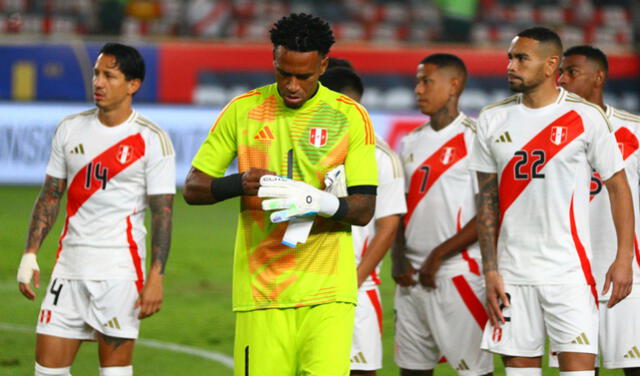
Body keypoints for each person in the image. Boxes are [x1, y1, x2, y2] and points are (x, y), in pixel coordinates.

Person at [183, 13, 378, 376]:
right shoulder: (244, 111)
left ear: (323, 65)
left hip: (328, 291)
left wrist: (316, 201)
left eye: (303, 76)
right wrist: (238, 183)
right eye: (283, 72)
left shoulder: (350, 117)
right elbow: (193, 188)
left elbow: (364, 209)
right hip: (261, 293)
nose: (291, 85)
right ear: (274, 59)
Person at [469, 27, 634, 376]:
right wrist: (491, 270)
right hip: (511, 277)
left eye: (521, 58)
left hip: (569, 276)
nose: (510, 66)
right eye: (510, 58)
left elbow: (618, 187)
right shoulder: (491, 119)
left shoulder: (585, 117)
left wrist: (623, 260)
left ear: (550, 65)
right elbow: (486, 202)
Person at [16, 42, 175, 376]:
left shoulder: (151, 140)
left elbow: (163, 213)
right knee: (46, 372)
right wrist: (30, 254)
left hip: (119, 273)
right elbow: (50, 195)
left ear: (133, 85)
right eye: (96, 74)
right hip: (68, 269)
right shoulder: (70, 128)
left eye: (110, 75)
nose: (99, 82)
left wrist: (156, 277)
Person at [391, 53, 492, 376]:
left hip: (457, 273)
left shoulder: (476, 138)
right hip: (410, 278)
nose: (418, 90)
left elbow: (490, 214)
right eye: (417, 82)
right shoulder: (409, 141)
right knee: (412, 369)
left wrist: (437, 255)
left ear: (454, 85)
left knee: (473, 370)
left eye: (426, 81)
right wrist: (398, 256)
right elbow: (399, 207)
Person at [555, 45, 640, 376]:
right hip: (568, 278)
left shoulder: (633, 131)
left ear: (599, 77)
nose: (561, 80)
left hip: (626, 274)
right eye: (560, 72)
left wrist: (626, 261)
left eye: (571, 72)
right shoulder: (551, 134)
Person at [320, 66, 407, 376]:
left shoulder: (380, 156)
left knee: (359, 371)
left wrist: (354, 280)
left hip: (355, 284)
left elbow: (389, 224)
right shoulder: (305, 146)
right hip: (303, 279)